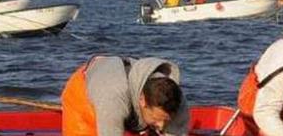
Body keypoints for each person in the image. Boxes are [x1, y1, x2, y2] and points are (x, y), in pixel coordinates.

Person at [61, 55, 189, 136]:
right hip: (86, 92)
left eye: (166, 119)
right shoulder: (112, 98)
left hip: (128, 93)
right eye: (156, 118)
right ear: (142, 100)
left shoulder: (177, 99)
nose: (161, 126)